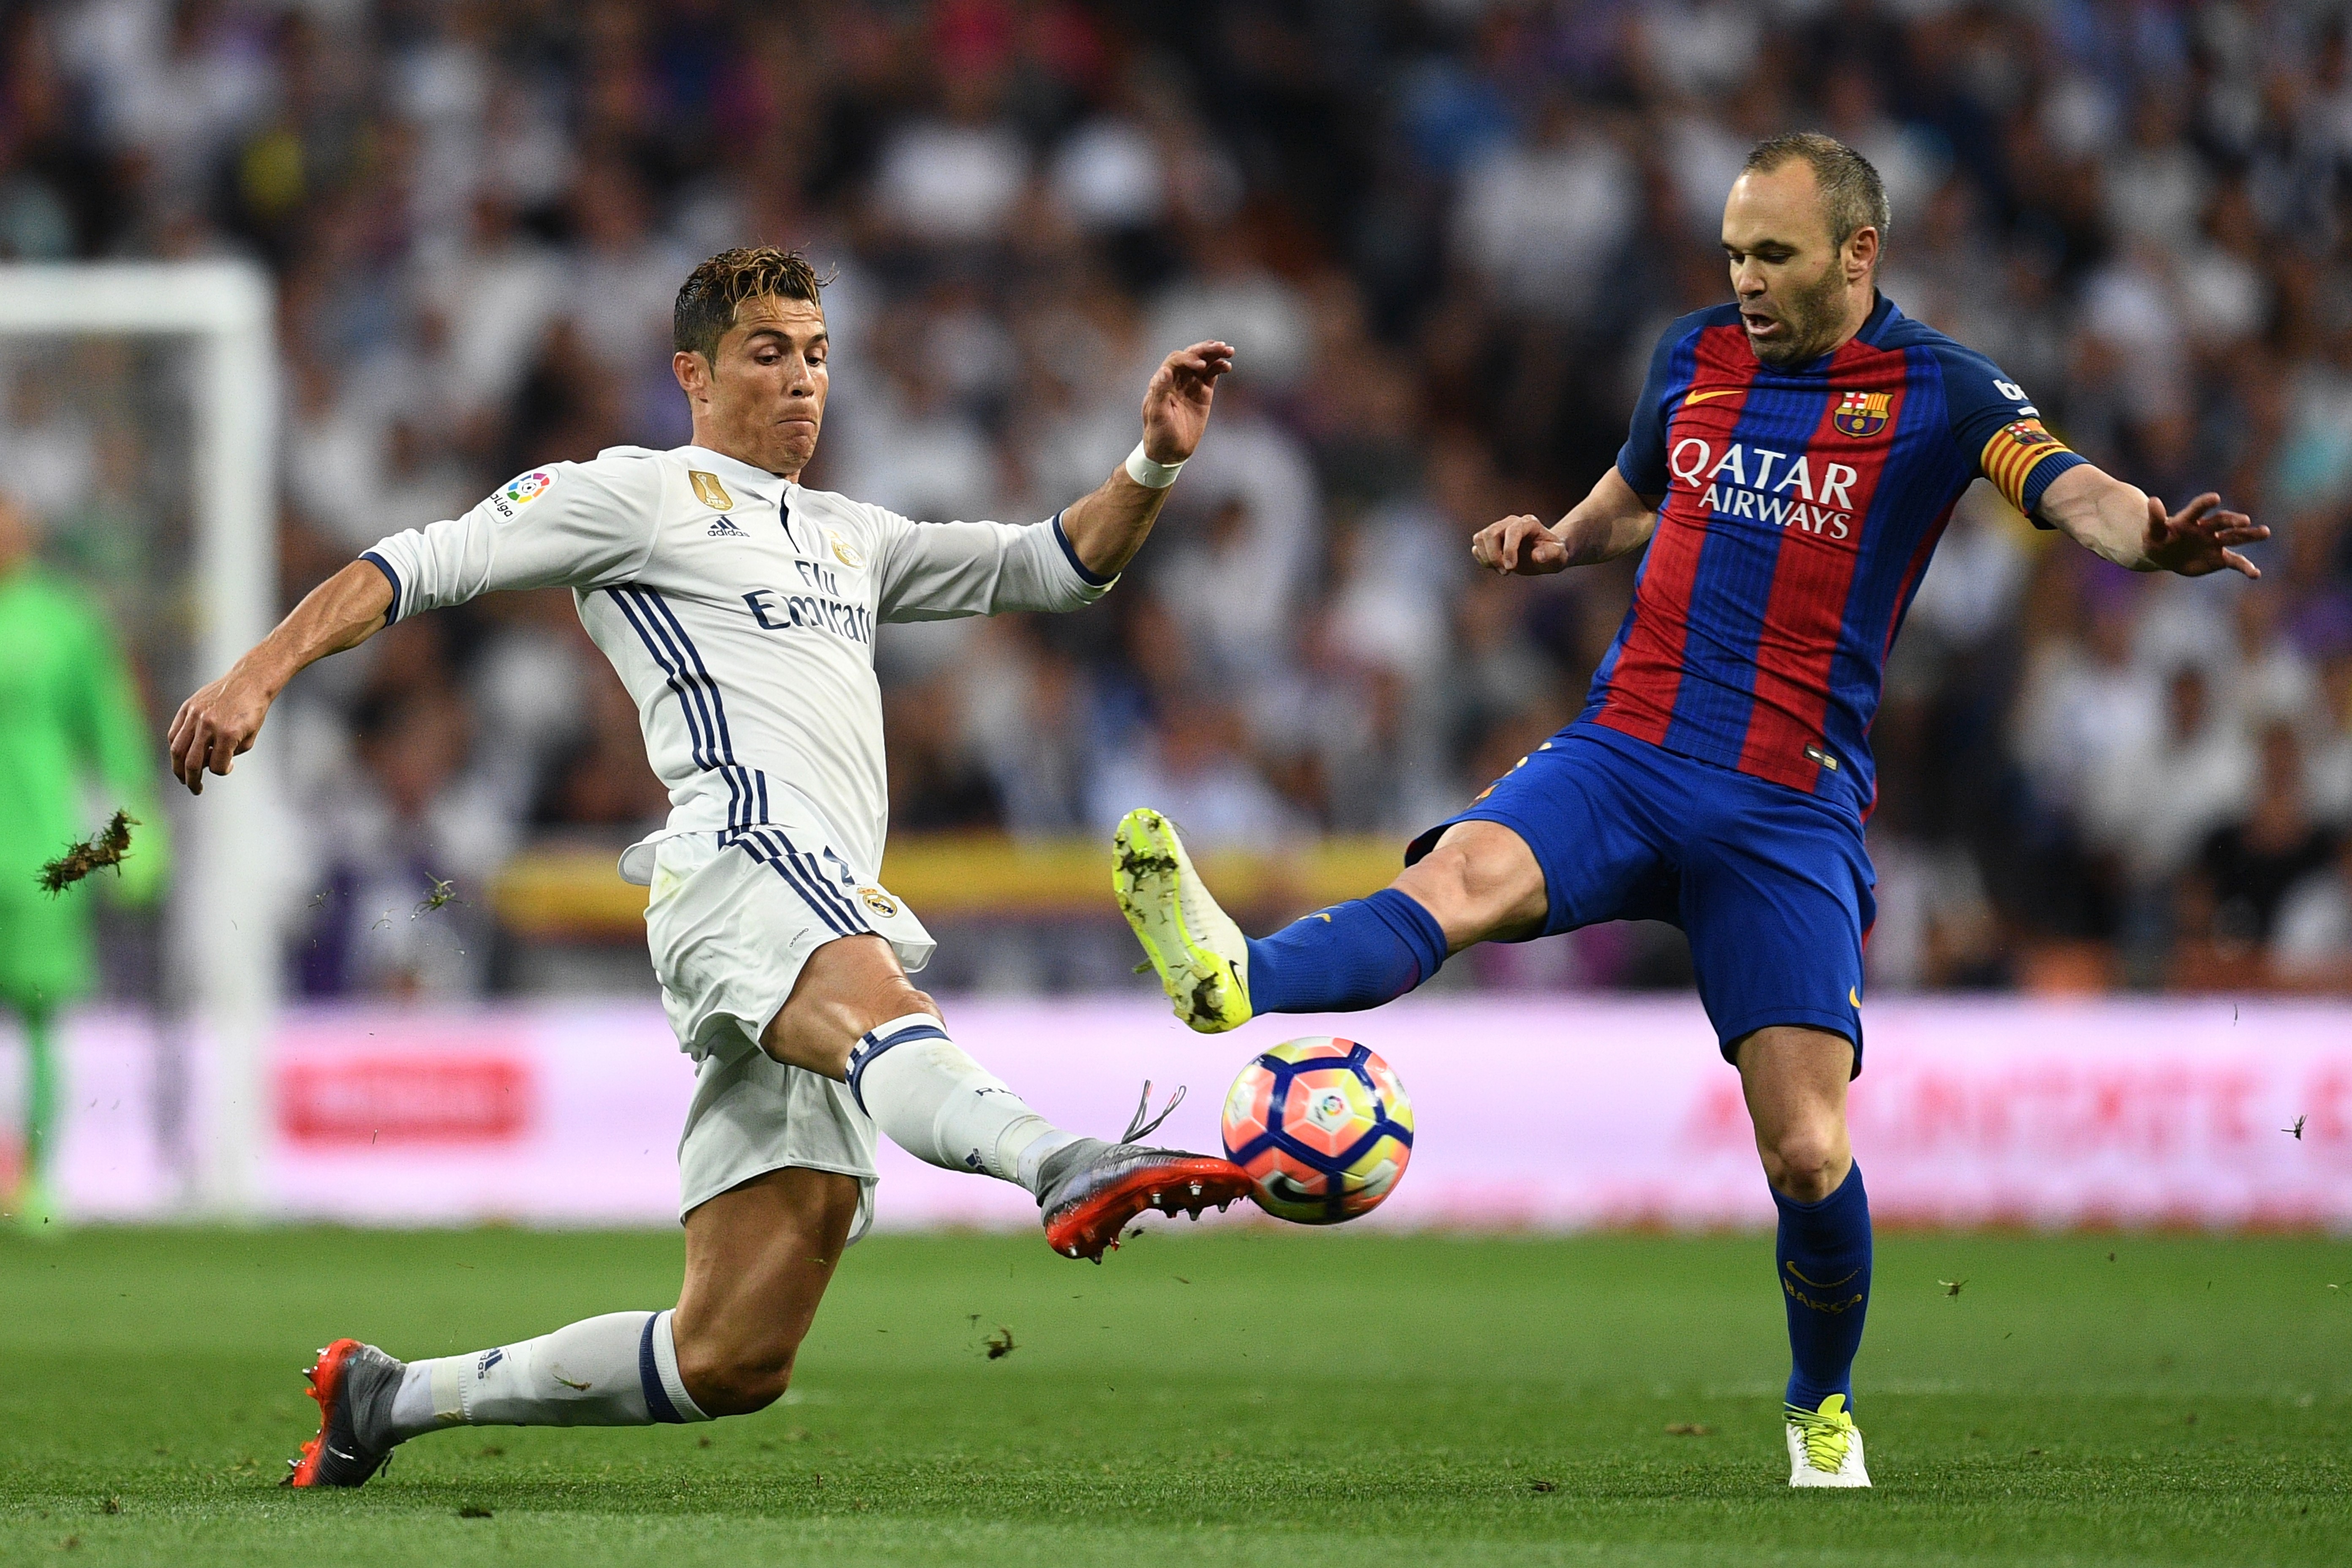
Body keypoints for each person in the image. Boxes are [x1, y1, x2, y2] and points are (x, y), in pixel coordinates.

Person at [1113, 134, 2266, 1489]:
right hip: (1628, 745)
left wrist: (2152, 538)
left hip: (1785, 806)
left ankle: (1819, 1409)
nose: (1747, 281)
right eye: (1733, 254)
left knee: (1806, 1147)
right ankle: (1233, 977)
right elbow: (1634, 499)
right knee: (1461, 879)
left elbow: (2068, 486)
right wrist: (1558, 536)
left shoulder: (1940, 388)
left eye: (1773, 256)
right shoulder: (1694, 355)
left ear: (1857, 254)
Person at [166, 248, 1247, 1486]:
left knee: (729, 1359)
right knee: (883, 1003)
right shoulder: (637, 494)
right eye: (768, 353)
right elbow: (416, 563)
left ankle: (390, 1398)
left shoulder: (854, 535)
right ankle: (1063, 1163)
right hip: (738, 858)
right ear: (693, 372)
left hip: (821, 895)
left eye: (818, 355)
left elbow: (1056, 566)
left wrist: (1155, 458)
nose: (802, 381)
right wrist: (258, 672)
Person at [0, 493, 169, 1232]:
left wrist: (139, 828)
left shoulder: (65, 619)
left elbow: (113, 734)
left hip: (38, 853)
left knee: (41, 1017)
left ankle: (37, 1185)